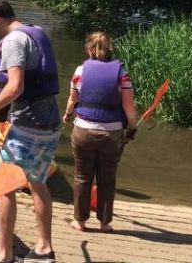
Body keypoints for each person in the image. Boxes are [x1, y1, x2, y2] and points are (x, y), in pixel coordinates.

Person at [0, 0, 60, 263]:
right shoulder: (36, 31)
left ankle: (4, 255)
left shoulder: (11, 41)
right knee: (37, 182)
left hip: (29, 125)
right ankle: (44, 250)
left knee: (2, 185)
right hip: (49, 122)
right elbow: (28, 81)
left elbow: (16, 87)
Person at [63, 32, 136, 234]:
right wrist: (132, 127)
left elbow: (72, 100)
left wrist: (67, 115)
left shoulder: (80, 70)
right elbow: (128, 106)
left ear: (88, 49)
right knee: (107, 179)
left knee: (82, 177)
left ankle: (80, 221)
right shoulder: (122, 72)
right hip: (112, 135)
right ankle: (105, 223)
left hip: (83, 131)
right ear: (110, 48)